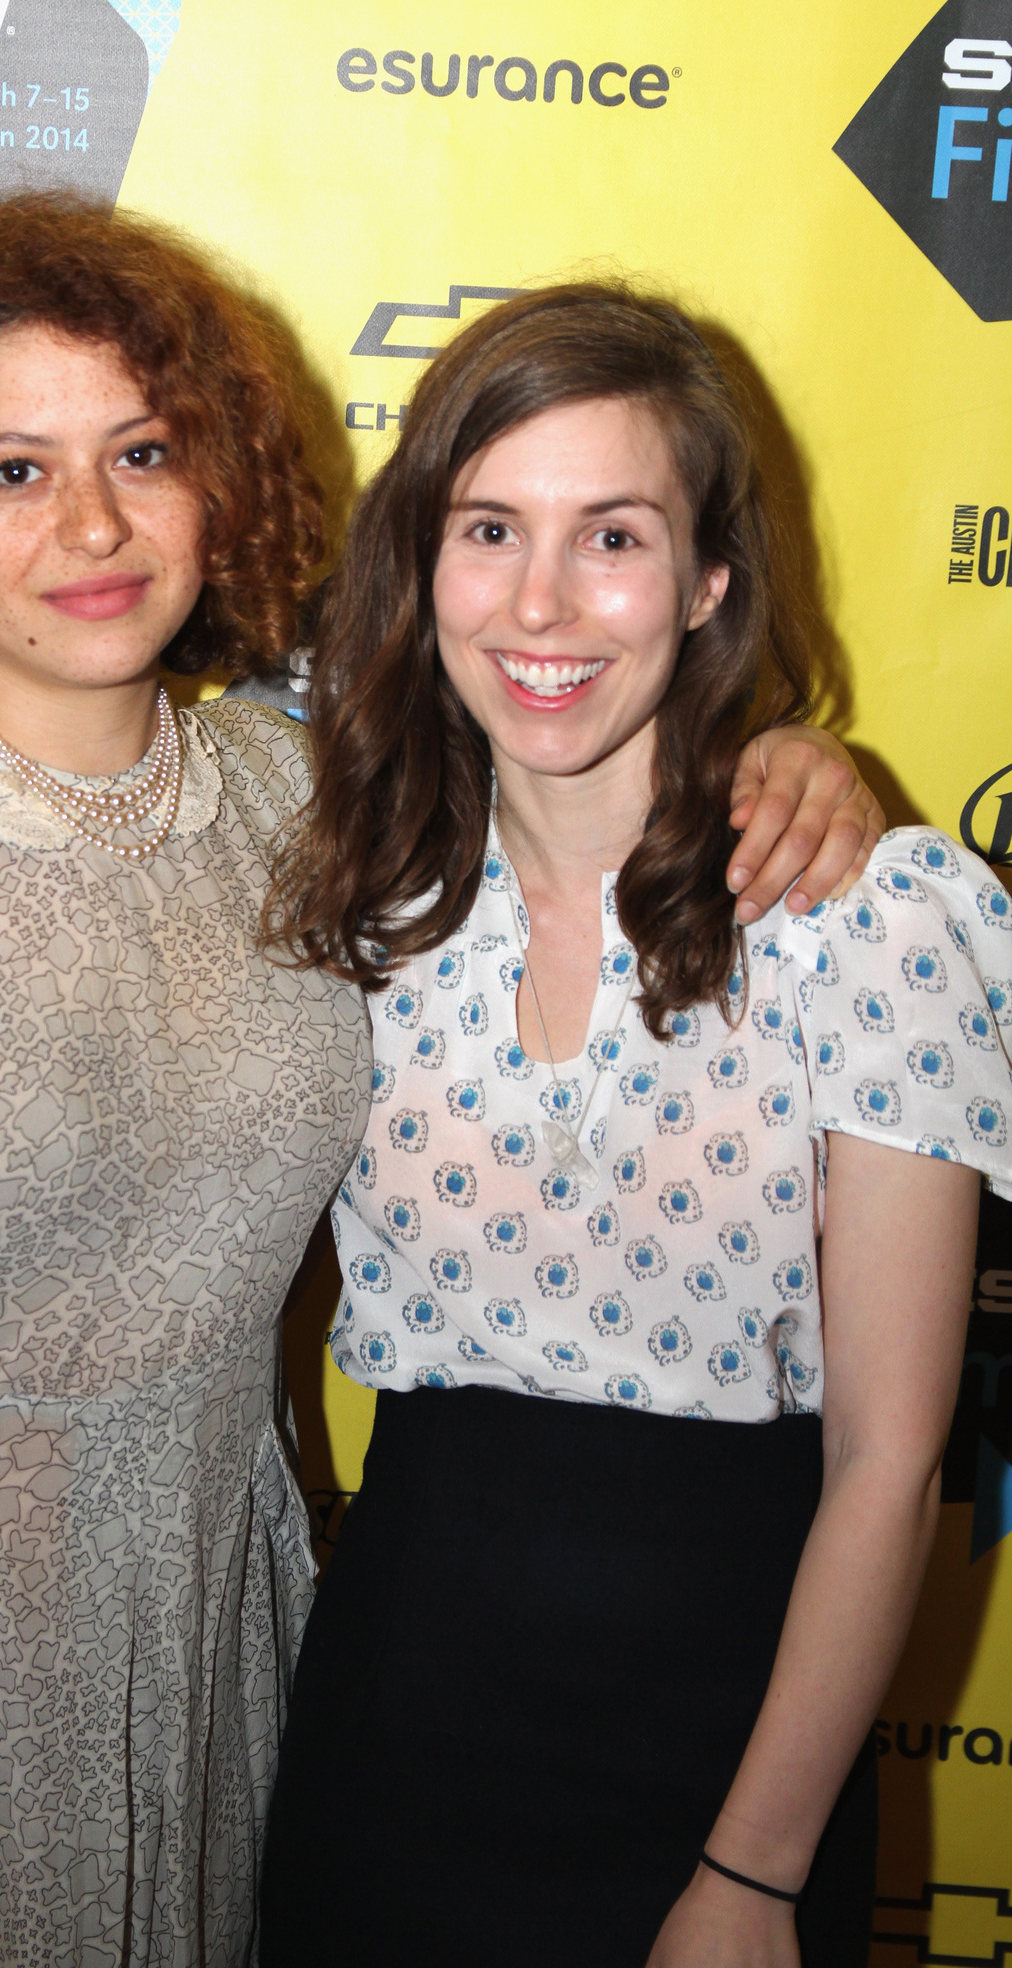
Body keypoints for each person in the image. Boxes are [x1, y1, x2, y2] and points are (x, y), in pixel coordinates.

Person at [0, 194, 880, 1968]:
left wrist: (790, 751)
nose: (89, 523)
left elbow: (576, 722)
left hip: (223, 1634)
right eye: (10, 472)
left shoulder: (310, 809)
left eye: (141, 452)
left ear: (212, 476)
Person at [258, 282, 1010, 1968]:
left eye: (611, 534)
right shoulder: (349, 903)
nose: (540, 602)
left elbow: (890, 1460)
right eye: (487, 528)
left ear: (707, 579)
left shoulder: (866, 916)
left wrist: (747, 1877)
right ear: (420, 566)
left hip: (737, 1742)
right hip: (392, 1719)